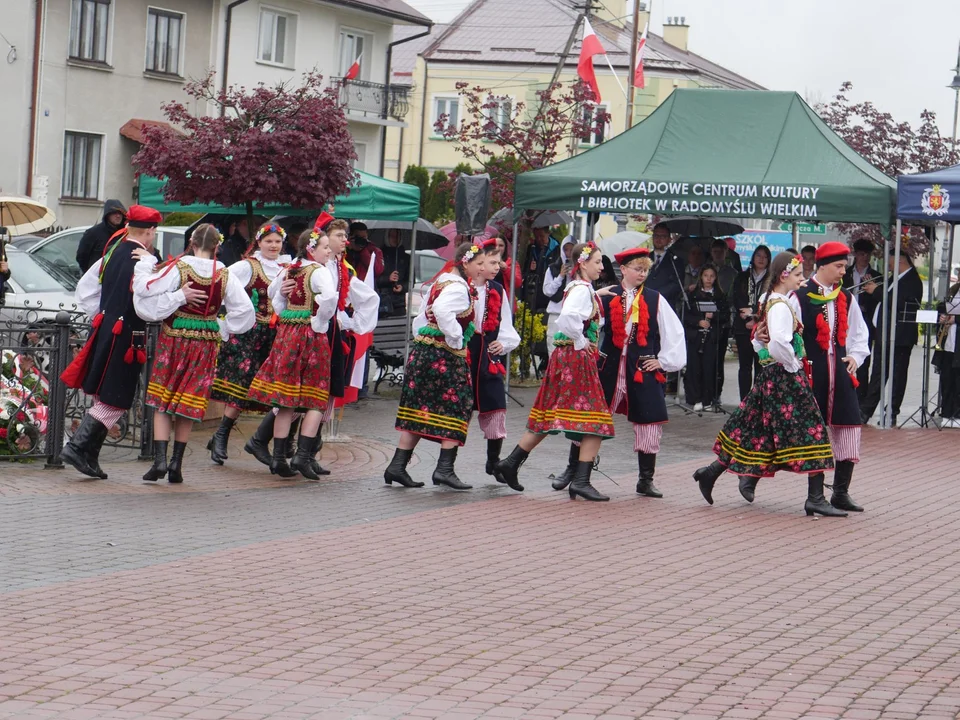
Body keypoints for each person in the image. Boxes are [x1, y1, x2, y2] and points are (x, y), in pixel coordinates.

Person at [692, 252, 840, 516]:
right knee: (813, 429)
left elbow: (760, 340)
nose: (801, 279)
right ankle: (815, 497)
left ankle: (714, 473)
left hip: (772, 376)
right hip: (784, 377)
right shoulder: (780, 305)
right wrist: (793, 366)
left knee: (753, 428)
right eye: (797, 275)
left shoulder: (768, 301)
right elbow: (778, 343)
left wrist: (768, 352)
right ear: (784, 275)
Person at [133, 224, 255, 484]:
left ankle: (160, 461)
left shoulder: (179, 267)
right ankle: (176, 464)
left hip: (176, 338)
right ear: (217, 246)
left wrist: (146, 264)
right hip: (206, 343)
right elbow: (245, 311)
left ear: (191, 242)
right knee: (188, 401)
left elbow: (145, 290)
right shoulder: (224, 273)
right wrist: (221, 326)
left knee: (163, 400)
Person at [495, 242, 615, 501]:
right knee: (596, 420)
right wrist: (582, 341)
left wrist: (598, 294)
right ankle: (581, 481)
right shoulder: (581, 290)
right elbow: (569, 317)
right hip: (575, 358)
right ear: (583, 264)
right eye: (598, 262)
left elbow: (575, 308)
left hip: (565, 357)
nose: (602, 267)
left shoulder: (579, 287)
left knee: (549, 412)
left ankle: (511, 462)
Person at [567, 246, 685, 499]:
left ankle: (645, 479)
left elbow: (674, 332)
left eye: (645, 270)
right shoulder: (608, 295)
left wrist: (662, 360)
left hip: (641, 367)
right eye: (637, 269)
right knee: (592, 416)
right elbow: (583, 323)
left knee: (650, 419)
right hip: (608, 366)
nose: (642, 274)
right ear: (624, 270)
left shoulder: (654, 299)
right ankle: (575, 473)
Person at [60, 205, 162, 479]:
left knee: (108, 392)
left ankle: (89, 456)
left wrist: (103, 314)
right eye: (154, 232)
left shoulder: (112, 252)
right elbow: (149, 302)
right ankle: (78, 447)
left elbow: (85, 290)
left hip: (106, 328)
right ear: (150, 231)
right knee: (115, 397)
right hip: (128, 335)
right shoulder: (143, 261)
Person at [384, 241, 488, 490]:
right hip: (443, 355)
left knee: (420, 409)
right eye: (480, 263)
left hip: (424, 352)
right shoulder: (457, 286)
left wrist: (425, 337)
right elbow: (441, 311)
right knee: (459, 406)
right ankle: (444, 470)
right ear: (466, 263)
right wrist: (454, 337)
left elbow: (421, 318)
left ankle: (397, 467)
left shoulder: (442, 282)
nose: (483, 269)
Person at [247, 229, 338, 478]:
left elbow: (274, 297)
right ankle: (301, 455)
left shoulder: (289, 269)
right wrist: (320, 321)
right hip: (309, 335)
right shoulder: (318, 271)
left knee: (286, 401)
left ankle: (278, 459)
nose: (329, 251)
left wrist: (284, 303)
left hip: (287, 334)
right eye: (325, 246)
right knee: (315, 398)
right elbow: (329, 298)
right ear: (312, 248)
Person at [790, 241, 870, 512]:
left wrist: (856, 357)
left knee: (849, 426)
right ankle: (815, 498)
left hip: (841, 373)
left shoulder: (845, 297)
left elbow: (860, 334)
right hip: (812, 373)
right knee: (815, 432)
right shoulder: (800, 295)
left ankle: (840, 492)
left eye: (844, 266)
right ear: (822, 265)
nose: (843, 272)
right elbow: (787, 334)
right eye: (838, 266)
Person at [206, 223, 291, 464]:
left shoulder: (286, 268)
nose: (273, 246)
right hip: (249, 335)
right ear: (259, 243)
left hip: (275, 337)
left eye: (277, 241)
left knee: (273, 390)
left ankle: (270, 442)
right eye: (269, 241)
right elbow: (221, 283)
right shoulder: (248, 266)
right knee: (240, 387)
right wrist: (227, 315)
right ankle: (221, 434)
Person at [468, 241, 521, 475]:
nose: (497, 266)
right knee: (460, 408)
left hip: (488, 356)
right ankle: (445, 465)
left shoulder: (497, 289)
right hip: (466, 353)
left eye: (498, 261)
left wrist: (505, 342)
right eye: (491, 261)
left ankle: (493, 462)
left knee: (497, 406)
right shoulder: (461, 286)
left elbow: (506, 325)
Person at [859, 246, 923, 425]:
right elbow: (887, 296)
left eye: (891, 261)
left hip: (899, 336)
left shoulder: (912, 280)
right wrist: (872, 288)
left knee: (897, 375)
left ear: (900, 260)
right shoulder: (894, 278)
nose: (888, 264)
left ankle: (892, 411)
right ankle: (866, 410)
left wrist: (876, 291)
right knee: (879, 373)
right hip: (884, 333)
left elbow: (898, 301)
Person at [683, 264, 730, 411]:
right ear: (701, 277)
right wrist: (699, 322)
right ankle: (695, 398)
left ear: (715, 278)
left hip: (711, 337)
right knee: (695, 367)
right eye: (705, 276)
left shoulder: (720, 296)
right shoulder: (692, 295)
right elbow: (686, 316)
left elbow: (726, 316)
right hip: (696, 336)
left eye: (712, 276)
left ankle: (708, 399)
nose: (708, 279)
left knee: (709, 368)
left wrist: (714, 316)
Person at [842, 238, 883, 399]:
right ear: (855, 254)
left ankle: (860, 398)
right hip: (845, 320)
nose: (865, 257)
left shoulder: (876, 277)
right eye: (861, 254)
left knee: (863, 360)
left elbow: (879, 301)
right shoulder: (845, 273)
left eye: (868, 254)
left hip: (866, 320)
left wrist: (873, 291)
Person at [731, 245, 771, 399]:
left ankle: (757, 401)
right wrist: (747, 318)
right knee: (745, 366)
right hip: (743, 328)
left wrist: (755, 316)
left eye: (765, 256)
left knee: (760, 366)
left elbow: (769, 300)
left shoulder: (771, 278)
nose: (761, 259)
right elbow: (737, 298)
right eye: (758, 255)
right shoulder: (743, 276)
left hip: (762, 328)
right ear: (753, 257)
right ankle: (744, 401)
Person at [542, 236, 575, 357]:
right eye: (566, 250)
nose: (569, 253)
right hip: (556, 312)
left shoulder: (580, 270)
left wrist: (574, 275)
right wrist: (561, 276)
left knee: (570, 349)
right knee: (553, 346)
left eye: (572, 250)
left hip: (573, 315)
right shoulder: (552, 268)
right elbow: (547, 291)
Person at [934, 282, 960, 427]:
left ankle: (957, 414)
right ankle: (947, 411)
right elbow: (943, 307)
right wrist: (942, 317)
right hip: (949, 342)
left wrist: (955, 319)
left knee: (958, 380)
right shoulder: (954, 291)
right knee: (947, 378)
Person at [75, 199, 126, 273]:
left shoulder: (125, 233)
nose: (118, 216)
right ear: (108, 214)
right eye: (114, 213)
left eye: (120, 213)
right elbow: (81, 257)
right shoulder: (93, 233)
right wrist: (91, 273)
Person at [645, 223, 685, 309]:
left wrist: (656, 295)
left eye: (663, 236)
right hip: (644, 302)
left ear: (669, 239)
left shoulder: (675, 261)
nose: (659, 239)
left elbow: (676, 284)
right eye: (656, 236)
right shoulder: (644, 258)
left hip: (665, 304)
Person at [377, 229, 410, 317]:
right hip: (382, 303)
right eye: (392, 236)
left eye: (398, 236)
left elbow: (410, 281)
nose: (395, 239)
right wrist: (388, 278)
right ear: (387, 237)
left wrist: (402, 287)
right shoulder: (379, 256)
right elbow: (374, 279)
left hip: (399, 304)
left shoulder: (406, 258)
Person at [492, 235, 522, 304]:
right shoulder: (483, 261)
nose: (497, 248)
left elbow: (517, 283)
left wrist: (506, 269)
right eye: (495, 245)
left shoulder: (511, 262)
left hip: (505, 301)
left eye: (501, 245)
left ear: (505, 248)